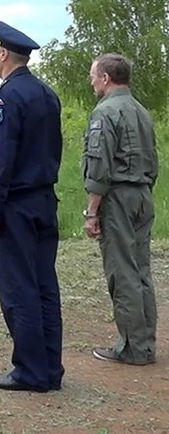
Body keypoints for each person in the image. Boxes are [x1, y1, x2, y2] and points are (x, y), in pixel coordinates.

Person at [0, 21, 63, 393]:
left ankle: (30, 371)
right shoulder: (46, 94)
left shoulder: (7, 98)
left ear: (2, 54)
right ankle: (49, 368)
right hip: (44, 199)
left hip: (16, 204)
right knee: (45, 286)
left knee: (19, 289)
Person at [82, 53, 158, 366]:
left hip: (118, 198)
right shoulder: (141, 110)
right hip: (142, 194)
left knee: (122, 271)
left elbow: (99, 165)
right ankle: (145, 343)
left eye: (93, 75)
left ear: (105, 78)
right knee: (141, 270)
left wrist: (92, 211)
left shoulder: (106, 111)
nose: (91, 81)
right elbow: (153, 158)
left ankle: (132, 348)